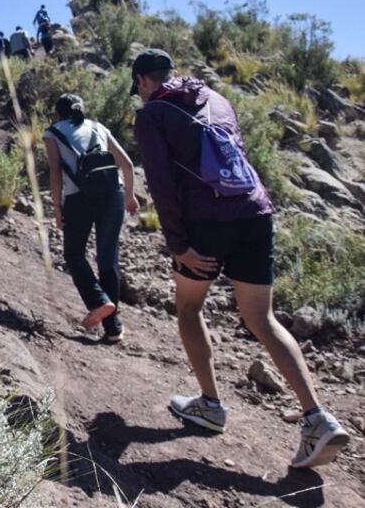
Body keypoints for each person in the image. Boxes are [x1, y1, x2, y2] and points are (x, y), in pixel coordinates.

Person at [131, 48, 350, 467]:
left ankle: (210, 406)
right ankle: (318, 419)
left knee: (189, 308)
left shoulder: (152, 115)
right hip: (254, 211)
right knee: (262, 319)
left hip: (205, 221)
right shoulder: (217, 99)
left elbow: (160, 181)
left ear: (143, 80)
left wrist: (178, 245)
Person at [43, 94, 138, 342]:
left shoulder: (53, 133)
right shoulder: (98, 127)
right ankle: (113, 328)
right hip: (113, 195)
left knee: (74, 254)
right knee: (108, 260)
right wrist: (130, 196)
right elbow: (126, 164)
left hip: (79, 198)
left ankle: (99, 301)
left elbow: (54, 172)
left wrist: (56, 206)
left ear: (59, 114)